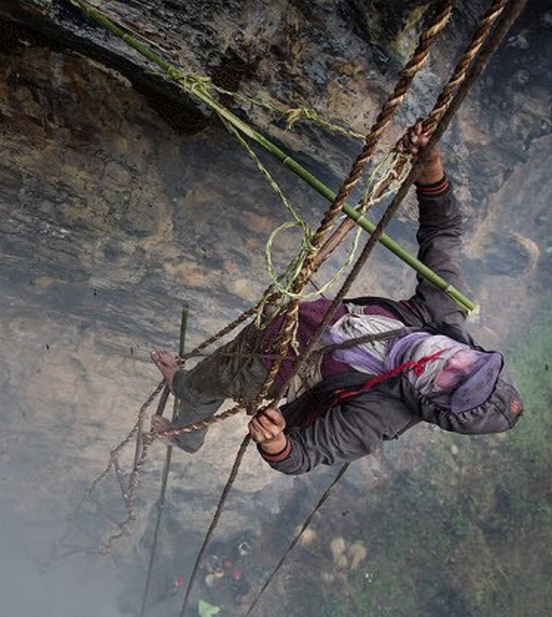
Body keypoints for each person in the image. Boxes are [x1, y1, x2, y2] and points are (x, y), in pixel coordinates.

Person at [149, 121, 524, 475]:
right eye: (470, 363)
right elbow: (442, 233)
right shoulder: (443, 316)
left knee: (204, 382)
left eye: (453, 383)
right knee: (219, 366)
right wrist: (430, 166)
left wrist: (277, 443)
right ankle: (188, 419)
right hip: (294, 319)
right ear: (476, 351)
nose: (451, 363)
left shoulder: (381, 415)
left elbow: (305, 457)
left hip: (267, 369)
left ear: (436, 403)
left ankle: (184, 420)